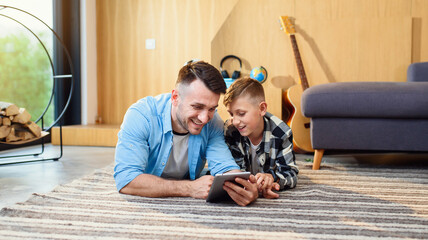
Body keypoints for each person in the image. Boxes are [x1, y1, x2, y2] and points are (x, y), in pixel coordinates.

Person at [114, 60, 258, 206]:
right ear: (175, 98)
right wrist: (189, 188)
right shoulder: (141, 116)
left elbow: (224, 167)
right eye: (197, 106)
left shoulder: (213, 121)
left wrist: (243, 186)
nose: (204, 118)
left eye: (211, 108)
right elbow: (126, 180)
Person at [223, 77, 299, 199]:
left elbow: (290, 173)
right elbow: (233, 170)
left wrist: (272, 179)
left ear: (262, 109)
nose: (236, 121)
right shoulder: (231, 130)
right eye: (231, 114)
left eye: (241, 113)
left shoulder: (282, 132)